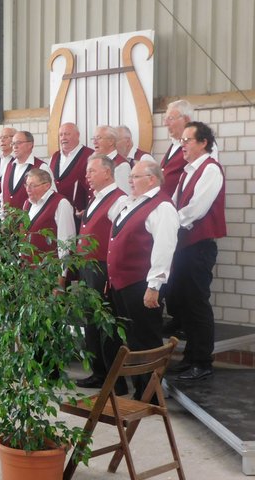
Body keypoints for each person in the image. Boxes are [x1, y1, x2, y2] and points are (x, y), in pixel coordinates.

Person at [107, 159, 179, 399]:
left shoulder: (162, 207)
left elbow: (164, 248)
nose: (130, 181)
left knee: (146, 339)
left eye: (135, 177)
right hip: (122, 283)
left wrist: (154, 285)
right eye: (130, 177)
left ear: (152, 179)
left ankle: (150, 395)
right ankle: (140, 389)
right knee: (132, 338)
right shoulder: (133, 203)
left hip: (141, 284)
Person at [167, 122, 226, 381]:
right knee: (184, 302)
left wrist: (169, 223)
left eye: (187, 140)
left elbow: (197, 209)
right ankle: (190, 357)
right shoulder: (186, 172)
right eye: (181, 141)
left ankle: (202, 361)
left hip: (199, 246)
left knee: (197, 302)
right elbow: (174, 203)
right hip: (184, 245)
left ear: (203, 143)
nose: (182, 145)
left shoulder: (210, 169)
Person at [74, 154, 128, 394]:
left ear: (107, 172)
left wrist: (110, 273)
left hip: (103, 268)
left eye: (92, 171)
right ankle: (99, 373)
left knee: (106, 324)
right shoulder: (95, 198)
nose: (87, 176)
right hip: (88, 267)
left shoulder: (120, 200)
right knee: (91, 322)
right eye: (87, 172)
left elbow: (119, 238)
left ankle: (116, 381)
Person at [22, 168, 75, 287]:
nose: (28, 189)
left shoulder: (61, 203)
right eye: (26, 185)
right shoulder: (27, 204)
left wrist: (61, 278)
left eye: (32, 185)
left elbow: (66, 243)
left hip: (50, 274)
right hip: (28, 274)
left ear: (46, 186)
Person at [48, 122, 93, 218]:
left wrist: (89, 209)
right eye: (61, 135)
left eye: (67, 134)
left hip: (79, 215)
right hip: (55, 214)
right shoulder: (54, 157)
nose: (63, 138)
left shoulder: (90, 155)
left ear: (77, 135)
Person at [0, 131, 52, 211]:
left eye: (18, 143)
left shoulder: (41, 167)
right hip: (7, 218)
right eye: (13, 143)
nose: (15, 147)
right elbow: (3, 195)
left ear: (30, 145)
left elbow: (50, 196)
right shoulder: (8, 166)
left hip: (31, 217)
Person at [91, 125, 132, 195]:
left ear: (111, 141)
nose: (94, 142)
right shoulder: (96, 161)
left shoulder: (122, 165)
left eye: (98, 138)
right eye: (93, 138)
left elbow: (124, 195)